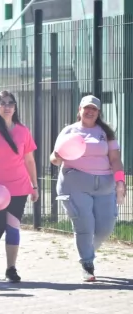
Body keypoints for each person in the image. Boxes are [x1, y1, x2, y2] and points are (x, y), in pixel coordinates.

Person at [50, 95, 125, 282]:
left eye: (94, 109)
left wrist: (120, 182)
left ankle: (86, 250)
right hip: (75, 184)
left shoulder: (106, 133)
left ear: (98, 112)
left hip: (105, 185)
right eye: (87, 108)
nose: (90, 111)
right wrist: (58, 157)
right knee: (85, 225)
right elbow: (54, 157)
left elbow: (115, 159)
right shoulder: (69, 131)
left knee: (105, 227)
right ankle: (87, 264)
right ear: (80, 110)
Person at [0, 90, 39, 283]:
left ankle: (11, 268)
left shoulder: (23, 131)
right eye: (2, 103)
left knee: (13, 227)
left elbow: (29, 161)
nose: (7, 106)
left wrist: (34, 185)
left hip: (18, 187)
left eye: (10, 103)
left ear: (15, 107)